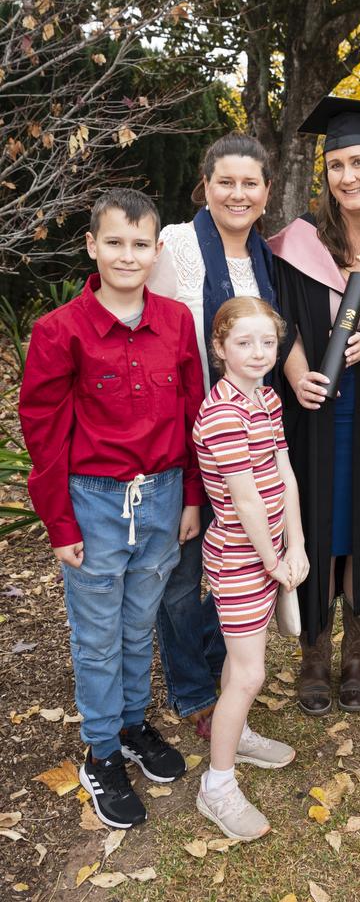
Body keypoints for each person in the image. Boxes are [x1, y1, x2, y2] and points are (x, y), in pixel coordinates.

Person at [19, 189, 204, 828]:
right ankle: (101, 753)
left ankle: (130, 724)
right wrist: (59, 521)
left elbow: (190, 414)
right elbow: (43, 431)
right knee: (97, 638)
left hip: (162, 498)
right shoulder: (59, 331)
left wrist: (190, 498)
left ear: (157, 251)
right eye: (116, 243)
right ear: (93, 246)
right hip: (94, 504)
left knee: (136, 627)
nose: (129, 255)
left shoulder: (176, 322)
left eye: (141, 244)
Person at [269, 96, 360, 716]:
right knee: (321, 521)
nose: (347, 176)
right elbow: (282, 320)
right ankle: (314, 652)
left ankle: (359, 652)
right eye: (335, 165)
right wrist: (299, 373)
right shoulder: (298, 243)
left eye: (359, 162)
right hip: (314, 407)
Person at [148, 133, 278, 738]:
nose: (238, 193)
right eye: (226, 181)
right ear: (206, 184)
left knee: (237, 563)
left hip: (244, 431)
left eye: (250, 183)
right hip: (184, 431)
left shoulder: (266, 258)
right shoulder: (176, 245)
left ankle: (225, 673)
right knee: (182, 570)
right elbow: (148, 339)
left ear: (266, 192)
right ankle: (195, 691)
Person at [193, 297, 309, 840]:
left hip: (271, 552)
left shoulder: (266, 397)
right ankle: (217, 786)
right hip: (240, 558)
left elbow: (284, 473)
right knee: (250, 672)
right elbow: (242, 499)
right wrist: (271, 558)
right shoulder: (220, 413)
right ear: (219, 348)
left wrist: (298, 544)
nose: (259, 353)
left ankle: (234, 733)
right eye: (244, 343)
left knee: (246, 660)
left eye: (268, 342)